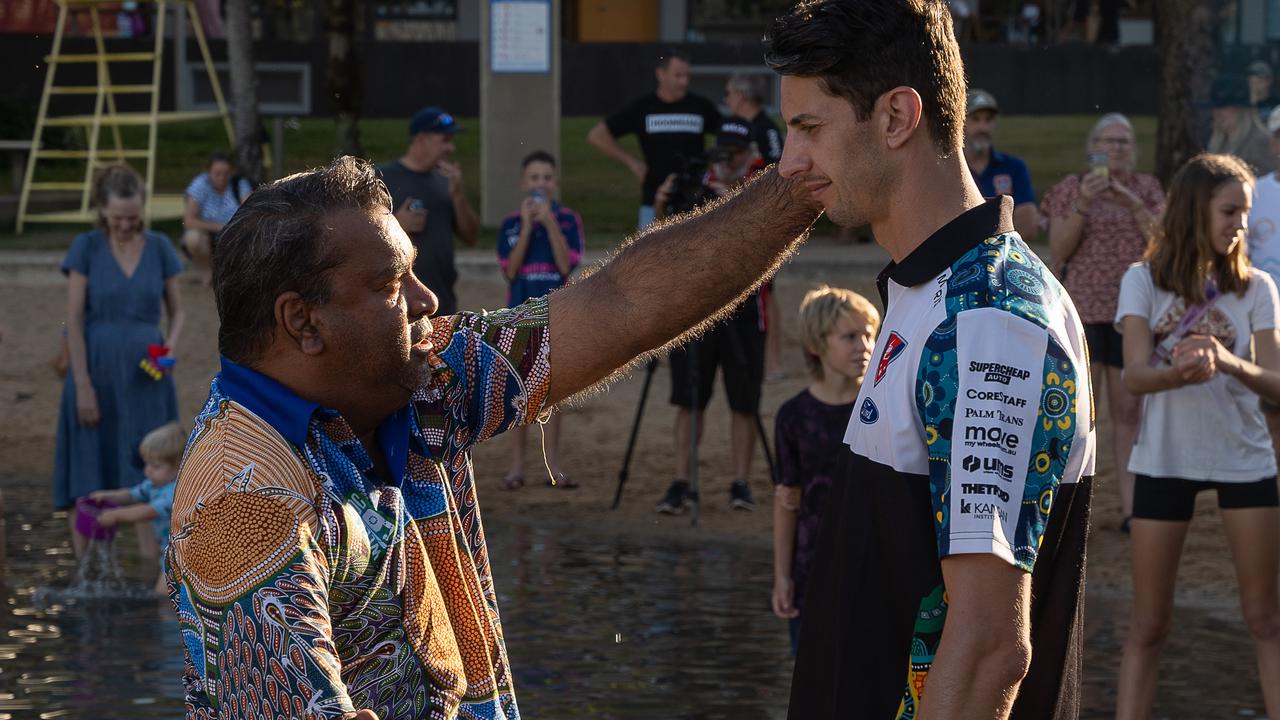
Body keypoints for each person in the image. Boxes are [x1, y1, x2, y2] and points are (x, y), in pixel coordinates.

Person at [165, 153, 822, 719]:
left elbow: (624, 305)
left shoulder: (424, 379)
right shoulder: (240, 500)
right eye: (392, 285)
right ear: (303, 323)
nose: (426, 301)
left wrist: (800, 183)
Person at [766, 2, 1095, 717]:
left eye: (808, 128)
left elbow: (988, 650)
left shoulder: (988, 322)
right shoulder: (932, 290)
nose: (789, 162)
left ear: (895, 118)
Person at [1113, 153, 1280, 719]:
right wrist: (1177, 373)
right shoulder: (1142, 280)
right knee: (1148, 625)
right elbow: (1134, 376)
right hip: (1163, 460)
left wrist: (1230, 364)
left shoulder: (1258, 287)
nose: (1241, 225)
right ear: (1192, 210)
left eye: (1246, 213)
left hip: (1245, 461)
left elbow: (1277, 384)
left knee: (1264, 619)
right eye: (1229, 211)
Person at [54, 164, 184, 558]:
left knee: (153, 471)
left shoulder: (160, 246)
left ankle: (154, 574)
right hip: (96, 373)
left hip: (148, 379)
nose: (126, 225)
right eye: (117, 218)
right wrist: (83, 386)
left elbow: (177, 312)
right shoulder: (86, 247)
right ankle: (85, 576)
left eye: (133, 217)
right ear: (102, 211)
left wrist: (170, 349)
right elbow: (73, 320)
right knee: (89, 470)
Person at [1043, 112, 1164, 532]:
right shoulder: (1072, 189)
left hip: (1132, 311)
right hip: (1081, 310)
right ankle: (1067, 508)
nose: (1116, 149)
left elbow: (1162, 244)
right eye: (1108, 142)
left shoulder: (1146, 189)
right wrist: (1084, 203)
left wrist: (1130, 202)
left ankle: (1131, 510)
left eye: (1124, 142)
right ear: (1092, 148)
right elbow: (1059, 245)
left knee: (1129, 410)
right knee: (1075, 413)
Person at [652, 117, 770, 514]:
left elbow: (768, 246)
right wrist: (661, 207)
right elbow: (664, 247)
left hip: (745, 307)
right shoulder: (694, 186)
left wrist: (730, 205)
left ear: (749, 153)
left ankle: (741, 481)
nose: (728, 161)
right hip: (694, 307)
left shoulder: (763, 184)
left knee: (744, 400)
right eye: (723, 152)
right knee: (689, 400)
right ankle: (682, 481)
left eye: (735, 153)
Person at [772, 285, 880, 653]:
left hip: (873, 567)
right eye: (850, 337)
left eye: (869, 334)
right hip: (812, 571)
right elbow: (787, 500)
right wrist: (782, 576)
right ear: (816, 345)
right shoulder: (794, 417)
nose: (863, 345)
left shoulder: (880, 408)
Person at [496, 150, 584, 490]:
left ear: (555, 183)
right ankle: (516, 468)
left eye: (547, 178)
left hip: (558, 316)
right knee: (520, 396)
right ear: (523, 183)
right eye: (534, 178)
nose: (541, 184)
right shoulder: (510, 224)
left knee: (554, 395)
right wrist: (529, 225)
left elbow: (567, 266)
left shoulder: (568, 220)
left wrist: (548, 222)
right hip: (519, 318)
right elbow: (511, 270)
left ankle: (554, 467)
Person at [588, 48, 722, 229]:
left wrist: (714, 164)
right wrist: (632, 162)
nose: (684, 82)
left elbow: (726, 134)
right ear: (661, 74)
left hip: (695, 200)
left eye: (686, 76)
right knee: (652, 254)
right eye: (678, 76)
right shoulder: (643, 108)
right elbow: (597, 136)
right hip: (653, 199)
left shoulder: (700, 106)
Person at [378, 105, 480, 316]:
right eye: (445, 140)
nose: (451, 149)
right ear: (421, 139)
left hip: (442, 301)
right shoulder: (382, 177)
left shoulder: (446, 180)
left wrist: (459, 196)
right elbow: (357, 236)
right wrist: (396, 225)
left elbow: (471, 237)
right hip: (397, 303)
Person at [724, 72, 789, 380]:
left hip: (765, 223)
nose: (727, 100)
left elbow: (779, 175)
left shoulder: (765, 129)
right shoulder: (735, 130)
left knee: (766, 292)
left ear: (742, 95)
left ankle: (773, 359)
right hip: (739, 222)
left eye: (729, 94)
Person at [87, 421, 184, 594]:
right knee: (167, 596)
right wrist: (109, 496)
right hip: (169, 551)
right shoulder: (154, 484)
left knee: (164, 596)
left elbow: (148, 511)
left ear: (178, 467)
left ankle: (167, 621)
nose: (148, 471)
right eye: (146, 464)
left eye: (156, 466)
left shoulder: (176, 491)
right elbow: (132, 494)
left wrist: (116, 515)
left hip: (183, 554)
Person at [964, 88, 1040, 240]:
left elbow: (1028, 225)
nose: (983, 128)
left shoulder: (1014, 167)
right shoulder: (949, 169)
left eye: (988, 120)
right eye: (975, 119)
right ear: (960, 123)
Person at [181, 151, 253, 283]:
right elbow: (189, 221)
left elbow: (250, 212)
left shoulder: (239, 184)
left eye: (226, 174)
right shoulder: (199, 185)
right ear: (208, 172)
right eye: (217, 173)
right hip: (208, 237)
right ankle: (207, 270)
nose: (221, 178)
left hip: (234, 236)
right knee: (193, 238)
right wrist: (220, 227)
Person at [1209, 75, 1277, 176]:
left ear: (1241, 109)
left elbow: (1271, 184)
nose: (1218, 113)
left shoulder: (1260, 143)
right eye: (1216, 106)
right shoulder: (1218, 143)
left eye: (1225, 106)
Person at [724, 72, 785, 163]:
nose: (726, 100)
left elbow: (775, 163)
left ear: (740, 96)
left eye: (728, 93)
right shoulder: (732, 126)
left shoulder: (768, 129)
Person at [1250, 60, 1279, 125]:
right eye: (1252, 82)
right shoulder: (1244, 104)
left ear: (1269, 81)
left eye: (1259, 81)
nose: (1255, 86)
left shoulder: (1276, 104)